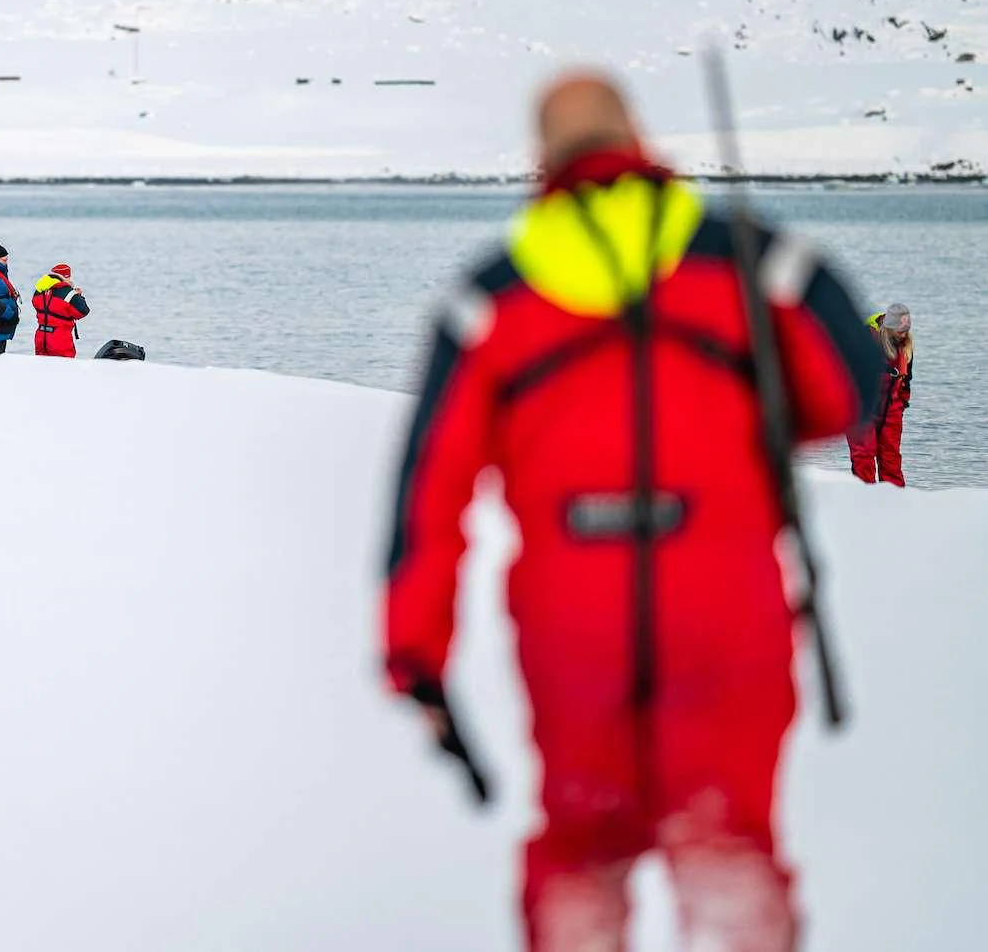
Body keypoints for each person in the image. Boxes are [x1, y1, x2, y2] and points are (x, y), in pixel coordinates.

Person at [379, 70, 884, 950]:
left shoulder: (491, 299)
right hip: (726, 620)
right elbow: (852, 390)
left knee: (583, 850)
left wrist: (416, 653)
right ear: (639, 138)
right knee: (728, 848)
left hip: (573, 633)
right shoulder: (750, 261)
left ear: (541, 157)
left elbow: (430, 486)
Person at [846, 302, 914, 486]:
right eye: (900, 331)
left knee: (891, 458)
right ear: (889, 327)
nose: (904, 335)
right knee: (864, 456)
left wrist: (901, 405)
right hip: (862, 406)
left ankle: (895, 504)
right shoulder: (866, 339)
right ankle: (864, 502)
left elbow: (907, 380)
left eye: (906, 330)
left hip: (891, 407)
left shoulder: (906, 346)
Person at [31, 263, 90, 358]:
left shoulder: (39, 289)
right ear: (67, 276)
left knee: (41, 368)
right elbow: (83, 311)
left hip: (41, 337)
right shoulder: (69, 293)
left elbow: (35, 304)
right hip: (60, 338)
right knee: (64, 369)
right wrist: (78, 296)